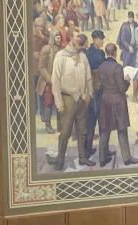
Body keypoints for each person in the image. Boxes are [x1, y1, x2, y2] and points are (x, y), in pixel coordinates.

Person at [51, 31, 94, 170]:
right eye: (76, 36)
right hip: (67, 99)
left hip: (82, 99)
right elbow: (55, 81)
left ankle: (82, 158)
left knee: (82, 130)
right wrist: (59, 103)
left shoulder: (82, 56)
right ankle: (60, 160)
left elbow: (88, 78)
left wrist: (89, 94)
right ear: (70, 38)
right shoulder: (60, 56)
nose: (79, 38)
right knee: (65, 133)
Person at [96, 43, 138, 166]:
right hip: (117, 101)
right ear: (115, 53)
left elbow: (100, 84)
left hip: (105, 100)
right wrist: (127, 80)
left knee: (104, 130)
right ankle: (126, 158)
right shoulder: (118, 68)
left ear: (106, 53)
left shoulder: (101, 67)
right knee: (122, 129)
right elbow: (122, 88)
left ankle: (102, 159)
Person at [84, 29, 107, 161]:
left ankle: (94, 150)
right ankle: (89, 151)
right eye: (100, 39)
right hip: (95, 91)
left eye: (102, 38)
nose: (102, 41)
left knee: (96, 121)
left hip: (96, 90)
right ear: (94, 39)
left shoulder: (94, 52)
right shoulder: (94, 53)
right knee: (94, 121)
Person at [36, 29, 62, 134]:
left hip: (60, 81)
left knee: (61, 103)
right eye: (57, 37)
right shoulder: (46, 49)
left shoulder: (62, 50)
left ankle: (61, 126)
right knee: (48, 103)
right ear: (52, 38)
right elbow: (41, 67)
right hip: (48, 82)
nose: (59, 39)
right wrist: (50, 80)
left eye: (60, 37)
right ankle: (48, 124)